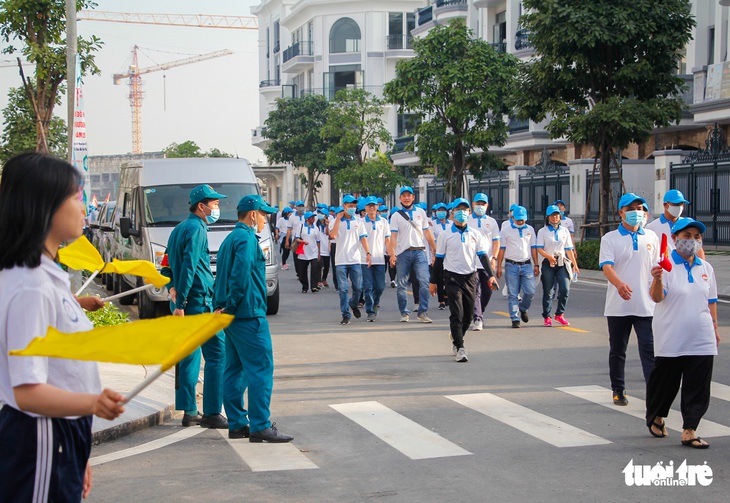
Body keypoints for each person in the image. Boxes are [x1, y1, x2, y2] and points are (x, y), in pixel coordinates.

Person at [0, 153, 125, 501]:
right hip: (42, 435)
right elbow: (28, 392)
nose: (84, 207)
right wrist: (93, 403)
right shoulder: (32, 286)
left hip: (59, 435)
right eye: (75, 197)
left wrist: (78, 449)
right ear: (45, 205)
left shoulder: (43, 277)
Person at [214, 194, 293, 443]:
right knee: (260, 369)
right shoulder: (247, 239)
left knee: (234, 369)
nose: (265, 220)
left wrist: (224, 306)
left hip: (234, 315)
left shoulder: (230, 239)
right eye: (263, 215)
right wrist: (233, 304)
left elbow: (223, 277)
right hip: (247, 313)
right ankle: (260, 425)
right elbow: (239, 276)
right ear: (252, 215)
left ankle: (237, 423)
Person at [645, 218, 719, 448]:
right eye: (687, 236)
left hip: (701, 335)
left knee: (698, 384)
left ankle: (690, 430)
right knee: (666, 382)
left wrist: (714, 328)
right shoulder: (664, 265)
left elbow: (711, 301)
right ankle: (657, 415)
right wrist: (657, 278)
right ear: (675, 238)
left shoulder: (706, 268)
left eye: (697, 237)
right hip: (671, 334)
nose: (693, 241)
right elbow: (657, 297)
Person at [163, 184, 228, 429]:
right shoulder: (198, 229)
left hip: (184, 302)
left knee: (189, 358)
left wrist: (172, 289)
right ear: (202, 206)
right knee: (217, 355)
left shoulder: (178, 229)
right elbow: (190, 266)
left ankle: (190, 410)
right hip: (198, 303)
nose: (217, 208)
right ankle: (211, 411)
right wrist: (181, 303)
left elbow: (166, 265)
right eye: (215, 204)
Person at [599, 193, 659, 406]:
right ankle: (618, 389)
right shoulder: (610, 239)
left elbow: (656, 267)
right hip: (618, 306)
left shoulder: (651, 237)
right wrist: (619, 285)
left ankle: (654, 392)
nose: (637, 212)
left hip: (646, 305)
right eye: (632, 208)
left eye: (640, 208)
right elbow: (607, 266)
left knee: (650, 351)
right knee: (618, 350)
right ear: (621, 213)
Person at [429, 198, 498, 362]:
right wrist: (433, 282)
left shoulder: (475, 234)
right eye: (458, 210)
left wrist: (491, 275)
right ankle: (460, 347)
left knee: (468, 316)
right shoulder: (446, 235)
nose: (462, 212)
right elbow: (438, 261)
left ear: (469, 212)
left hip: (470, 277)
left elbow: (483, 256)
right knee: (457, 313)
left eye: (465, 210)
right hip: (452, 277)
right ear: (452, 213)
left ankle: (456, 335)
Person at [389, 186, 437, 323]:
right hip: (403, 253)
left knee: (424, 281)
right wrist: (392, 254)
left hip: (420, 252)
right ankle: (404, 313)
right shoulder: (396, 216)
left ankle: (423, 311)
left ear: (413, 197)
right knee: (402, 284)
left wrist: (434, 249)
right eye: (403, 195)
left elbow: (427, 232)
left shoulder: (420, 212)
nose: (406, 198)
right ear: (400, 198)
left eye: (409, 195)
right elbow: (393, 236)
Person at [330, 195, 372, 325]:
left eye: (354, 206)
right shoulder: (336, 221)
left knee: (358, 288)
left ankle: (353, 303)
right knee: (343, 288)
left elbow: (363, 238)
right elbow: (333, 235)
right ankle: (345, 314)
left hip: (355, 260)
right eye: (350, 205)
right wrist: (338, 219)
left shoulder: (359, 222)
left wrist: (368, 253)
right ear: (344, 206)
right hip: (341, 260)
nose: (352, 208)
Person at [496, 205, 539, 328]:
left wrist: (536, 264)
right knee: (513, 294)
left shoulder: (530, 229)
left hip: (526, 265)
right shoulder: (505, 231)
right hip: (511, 265)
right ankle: (515, 318)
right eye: (518, 219)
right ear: (512, 218)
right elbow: (502, 249)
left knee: (530, 291)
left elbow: (533, 248)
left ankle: (523, 308)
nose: (520, 221)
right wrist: (499, 266)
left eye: (522, 219)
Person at [536, 205, 579, 327]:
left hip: (561, 262)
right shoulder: (542, 231)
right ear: (548, 217)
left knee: (565, 288)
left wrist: (574, 265)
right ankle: (547, 315)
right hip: (548, 262)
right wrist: (549, 257)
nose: (555, 217)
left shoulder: (564, 231)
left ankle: (560, 314)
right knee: (548, 291)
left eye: (557, 215)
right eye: (552, 215)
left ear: (560, 216)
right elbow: (539, 248)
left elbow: (569, 249)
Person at [467, 193, 501, 331]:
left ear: (487, 206)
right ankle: (477, 318)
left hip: (487, 263)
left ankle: (479, 312)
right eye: (478, 204)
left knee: (487, 291)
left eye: (483, 204)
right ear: (473, 205)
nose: (480, 206)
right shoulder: (468, 220)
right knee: (476, 291)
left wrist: (494, 258)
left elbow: (496, 241)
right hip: (472, 262)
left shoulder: (491, 222)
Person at [646, 189, 705, 260]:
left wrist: (701, 264)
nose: (679, 207)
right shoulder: (652, 227)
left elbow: (697, 247)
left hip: (685, 264)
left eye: (681, 204)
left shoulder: (688, 225)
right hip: (663, 267)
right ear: (665, 205)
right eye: (676, 204)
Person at [361, 196, 391, 322]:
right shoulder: (361, 222)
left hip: (379, 259)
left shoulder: (383, 222)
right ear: (365, 208)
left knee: (380, 286)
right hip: (364, 259)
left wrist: (391, 254)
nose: (372, 208)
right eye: (369, 206)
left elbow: (387, 239)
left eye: (374, 205)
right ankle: (370, 311)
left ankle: (375, 302)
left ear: (377, 207)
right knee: (368, 286)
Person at [292, 211, 321, 293]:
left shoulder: (315, 228)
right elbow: (297, 238)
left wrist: (318, 253)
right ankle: (305, 286)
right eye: (312, 218)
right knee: (302, 271)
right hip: (303, 252)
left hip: (313, 251)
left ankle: (314, 286)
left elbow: (318, 241)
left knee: (315, 268)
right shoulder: (301, 227)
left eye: (314, 217)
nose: (313, 219)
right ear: (307, 219)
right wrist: (302, 241)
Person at [431, 202, 451, 310]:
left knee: (447, 276)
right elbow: (432, 240)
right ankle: (441, 301)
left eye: (443, 210)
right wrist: (433, 255)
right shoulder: (433, 224)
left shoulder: (451, 224)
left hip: (450, 255)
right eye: (439, 210)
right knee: (438, 277)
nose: (441, 212)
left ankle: (447, 295)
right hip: (438, 254)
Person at [316, 209, 331, 288]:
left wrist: (327, 225)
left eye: (322, 214)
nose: (320, 215)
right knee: (319, 265)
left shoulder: (328, 224)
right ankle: (318, 280)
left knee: (327, 265)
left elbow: (328, 234)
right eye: (319, 213)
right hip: (319, 248)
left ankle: (324, 279)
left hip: (326, 248)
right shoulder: (316, 224)